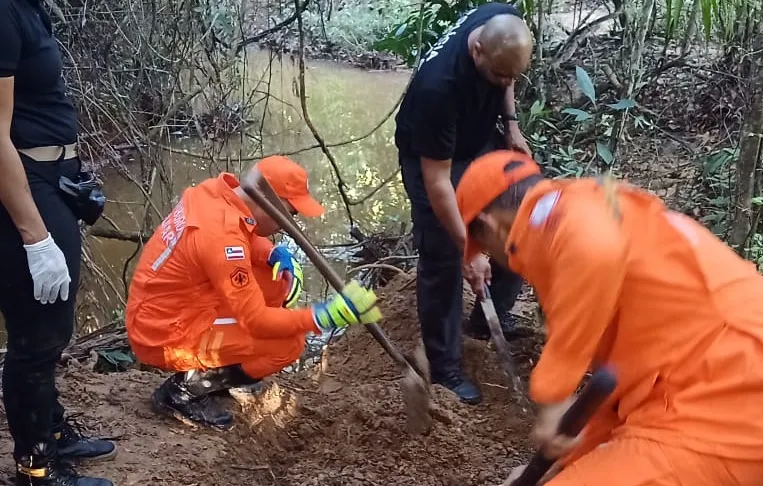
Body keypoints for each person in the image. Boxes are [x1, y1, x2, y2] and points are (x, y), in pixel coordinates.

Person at [455, 149, 763, 486]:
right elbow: (617, 392)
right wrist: (561, 463)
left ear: (490, 227)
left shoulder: (555, 220)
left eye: (485, 249)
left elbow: (595, 250)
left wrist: (553, 392)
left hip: (727, 401)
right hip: (704, 390)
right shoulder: (592, 207)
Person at [125, 156, 383, 429]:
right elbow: (257, 320)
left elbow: (241, 234)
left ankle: (214, 370)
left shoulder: (215, 193)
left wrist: (271, 252)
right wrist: (322, 316)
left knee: (275, 281)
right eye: (290, 213)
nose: (287, 224)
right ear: (266, 200)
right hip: (163, 334)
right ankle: (183, 391)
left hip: (165, 309)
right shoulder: (222, 238)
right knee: (289, 343)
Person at [394, 2, 535, 404]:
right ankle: (445, 370)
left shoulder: (503, 23)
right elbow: (439, 184)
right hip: (433, 158)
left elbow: (506, 74)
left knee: (519, 213)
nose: (506, 81)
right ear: (477, 52)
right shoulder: (437, 89)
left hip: (476, 140)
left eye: (513, 76)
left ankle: (489, 317)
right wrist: (469, 250)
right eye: (498, 75)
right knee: (442, 254)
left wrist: (511, 123)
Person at [0, 1, 116, 485]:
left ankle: (49, 429)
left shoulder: (29, 7)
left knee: (52, 329)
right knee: (37, 337)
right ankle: (36, 466)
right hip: (25, 186)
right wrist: (34, 235)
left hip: (53, 177)